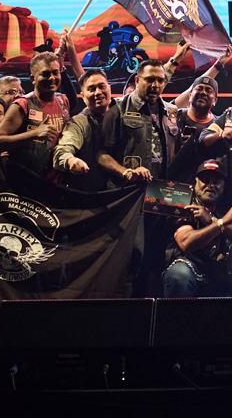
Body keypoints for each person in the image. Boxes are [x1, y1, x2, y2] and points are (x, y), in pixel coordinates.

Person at [98, 59, 180, 296]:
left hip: (163, 193)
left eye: (160, 80)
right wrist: (126, 172)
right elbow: (101, 155)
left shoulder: (171, 112)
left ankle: (153, 308)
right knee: (133, 256)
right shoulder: (118, 109)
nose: (156, 85)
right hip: (130, 195)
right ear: (137, 80)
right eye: (150, 80)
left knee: (158, 258)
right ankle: (129, 311)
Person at [162, 159, 232, 298]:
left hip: (221, 270)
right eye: (205, 180)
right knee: (179, 275)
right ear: (195, 183)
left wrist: (211, 220)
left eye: (216, 182)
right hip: (190, 264)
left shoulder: (227, 205)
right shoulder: (183, 203)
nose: (210, 185)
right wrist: (221, 223)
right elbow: (186, 242)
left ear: (223, 186)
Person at [0, 52, 71, 172]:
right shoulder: (22, 105)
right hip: (30, 179)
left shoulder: (63, 100)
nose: (52, 78)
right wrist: (34, 134)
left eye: (55, 73)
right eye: (45, 74)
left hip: (59, 178)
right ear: (33, 79)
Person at [53, 69, 114, 192]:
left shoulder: (122, 112)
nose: (98, 92)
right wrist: (71, 160)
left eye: (101, 86)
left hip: (121, 191)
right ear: (83, 96)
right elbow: (61, 151)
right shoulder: (78, 123)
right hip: (90, 194)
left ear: (109, 88)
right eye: (91, 89)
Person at [166, 74, 220, 183]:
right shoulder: (173, 117)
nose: (203, 92)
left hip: (204, 183)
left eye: (208, 90)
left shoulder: (219, 125)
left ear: (215, 100)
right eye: (199, 88)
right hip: (173, 182)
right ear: (190, 95)